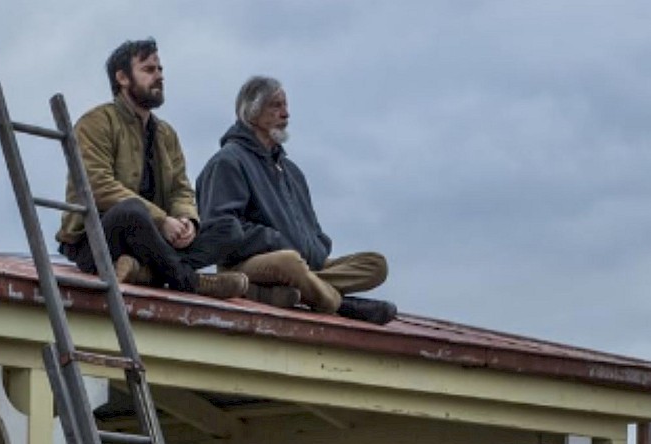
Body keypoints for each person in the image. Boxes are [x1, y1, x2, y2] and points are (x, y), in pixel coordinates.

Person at [58, 39, 253, 298]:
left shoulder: (166, 134)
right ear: (122, 78)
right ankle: (189, 281)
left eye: (160, 70)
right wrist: (161, 220)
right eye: (149, 70)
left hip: (155, 243)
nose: (159, 77)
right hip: (99, 240)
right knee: (132, 211)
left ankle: (143, 272)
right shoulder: (96, 123)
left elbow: (181, 189)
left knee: (230, 228)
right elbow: (95, 185)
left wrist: (187, 222)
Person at [196, 75, 397, 324]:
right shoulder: (228, 162)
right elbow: (220, 228)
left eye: (286, 105)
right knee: (288, 262)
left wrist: (318, 248)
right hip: (248, 266)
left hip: (305, 265)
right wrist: (277, 242)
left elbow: (312, 228)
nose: (286, 114)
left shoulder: (292, 172)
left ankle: (297, 293)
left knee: (375, 264)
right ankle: (338, 303)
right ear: (252, 113)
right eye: (276, 105)